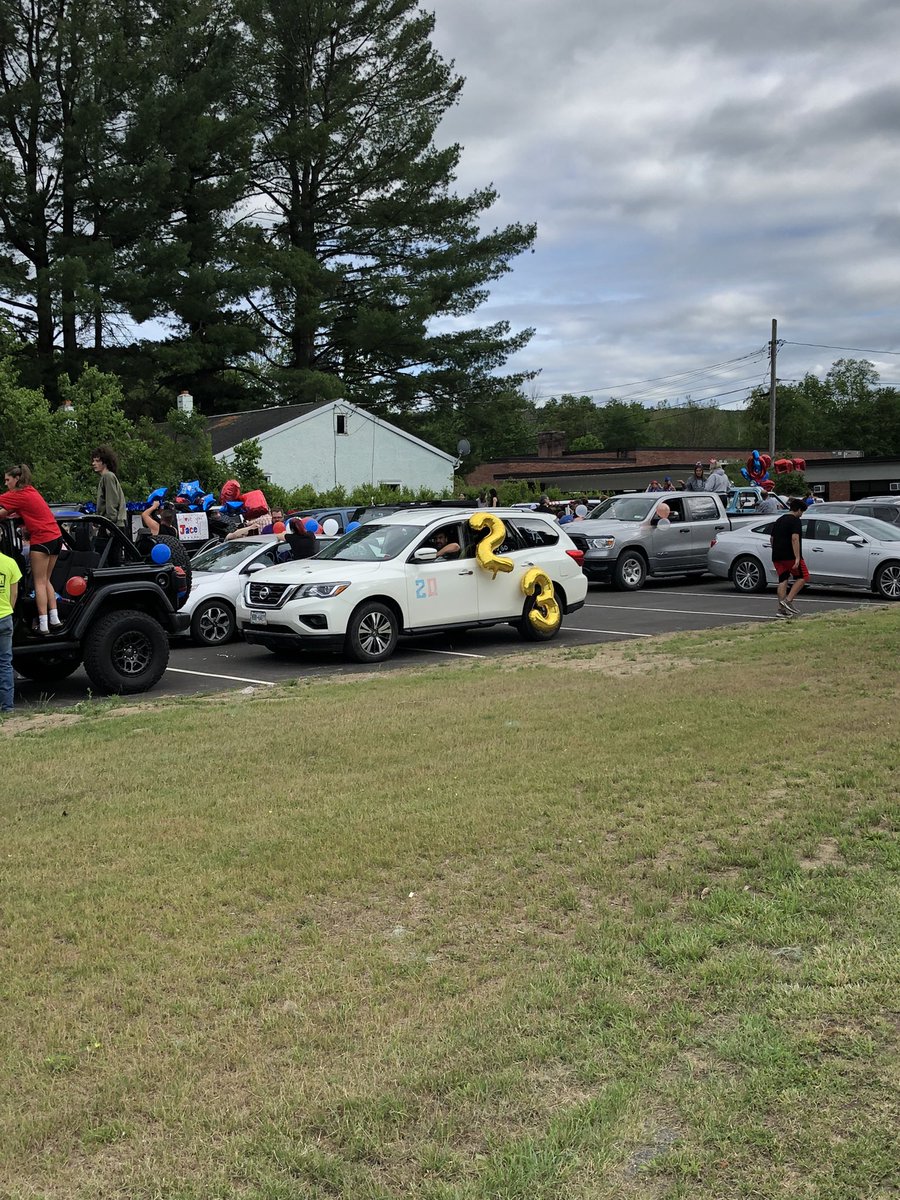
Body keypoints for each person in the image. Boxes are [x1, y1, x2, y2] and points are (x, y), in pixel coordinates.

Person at [0, 465, 63, 634]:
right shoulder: (31, 491)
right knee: (47, 579)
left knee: (39, 582)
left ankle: (43, 625)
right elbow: (7, 511)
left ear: (17, 479)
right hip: (56, 536)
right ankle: (55, 619)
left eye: (7, 480)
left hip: (42, 538)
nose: (6, 484)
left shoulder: (17, 495)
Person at [770, 497, 809, 618]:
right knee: (803, 576)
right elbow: (794, 538)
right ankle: (788, 601)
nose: (801, 515)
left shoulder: (779, 520)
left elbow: (772, 538)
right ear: (798, 509)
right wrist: (797, 557)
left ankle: (781, 610)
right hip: (790, 555)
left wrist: (775, 549)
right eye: (802, 512)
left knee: (783, 579)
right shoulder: (795, 521)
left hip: (777, 555)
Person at [0, 545, 21, 713]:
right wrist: (9, 611)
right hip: (5, 617)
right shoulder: (10, 563)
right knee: (5, 663)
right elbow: (14, 594)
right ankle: (7, 707)